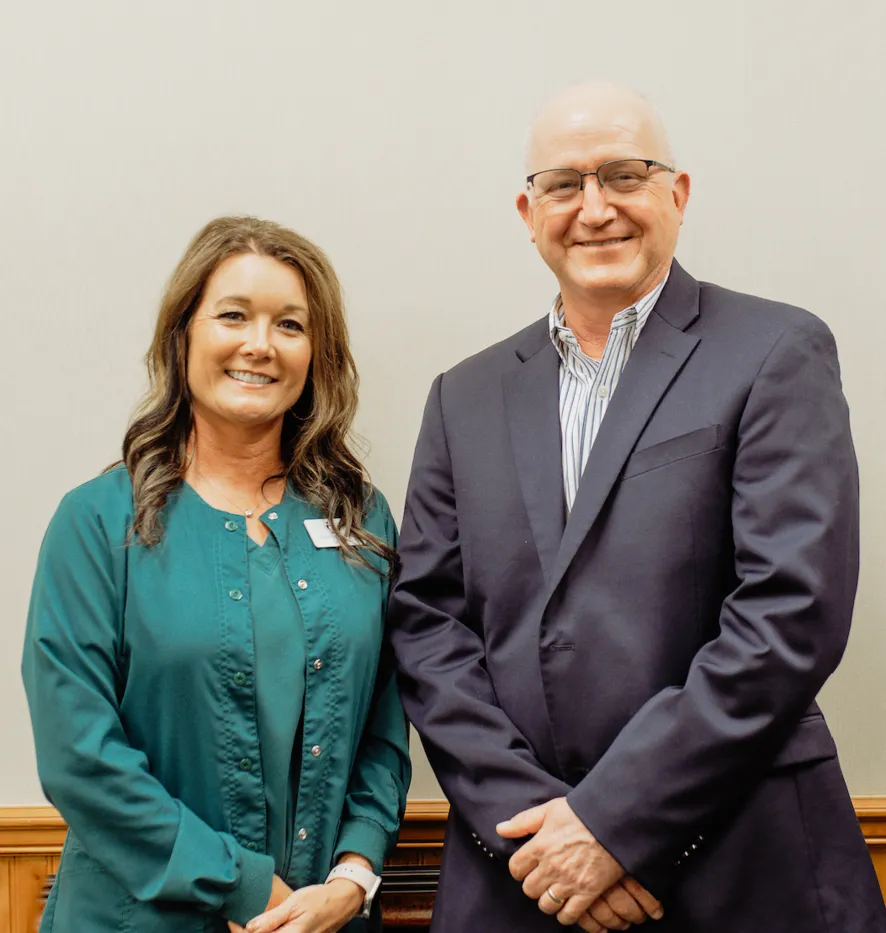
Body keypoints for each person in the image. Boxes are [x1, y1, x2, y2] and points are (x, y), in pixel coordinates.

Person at [387, 81, 886, 932]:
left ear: (677, 194)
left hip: (740, 866)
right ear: (527, 208)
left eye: (624, 175)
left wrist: (612, 822)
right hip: (521, 874)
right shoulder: (462, 397)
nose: (595, 208)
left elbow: (789, 613)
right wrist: (541, 832)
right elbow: (428, 626)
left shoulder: (775, 351)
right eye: (564, 184)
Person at [22, 216, 411, 933]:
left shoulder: (362, 519)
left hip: (326, 918)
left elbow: (384, 727)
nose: (259, 344)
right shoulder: (97, 523)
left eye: (289, 324)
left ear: (314, 353)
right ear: (184, 336)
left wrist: (354, 876)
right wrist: (245, 887)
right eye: (233, 315)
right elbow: (80, 757)